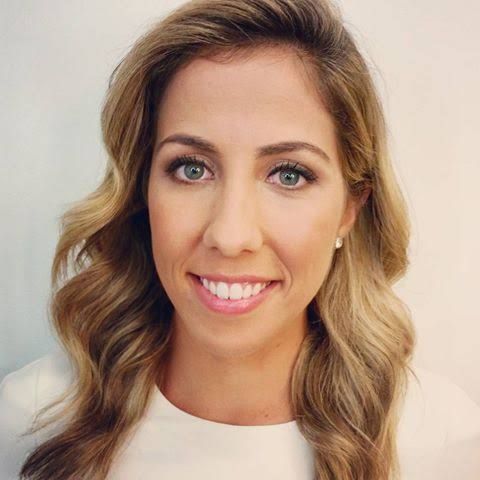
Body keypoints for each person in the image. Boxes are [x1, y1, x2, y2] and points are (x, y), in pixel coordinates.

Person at [1, 0, 479, 479]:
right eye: (192, 169)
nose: (230, 237)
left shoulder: (440, 441)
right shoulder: (29, 420)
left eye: (289, 175)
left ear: (350, 209)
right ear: (141, 191)